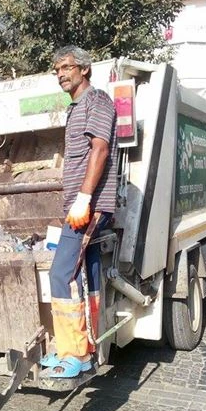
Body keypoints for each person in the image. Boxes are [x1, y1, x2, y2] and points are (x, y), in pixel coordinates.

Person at [40, 46, 118, 379]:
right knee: (86, 275)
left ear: (84, 69)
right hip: (79, 205)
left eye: (67, 67)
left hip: (88, 205)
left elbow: (99, 150)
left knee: (61, 273)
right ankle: (84, 350)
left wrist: (85, 198)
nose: (61, 74)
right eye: (56, 69)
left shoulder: (97, 101)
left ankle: (71, 353)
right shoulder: (76, 108)